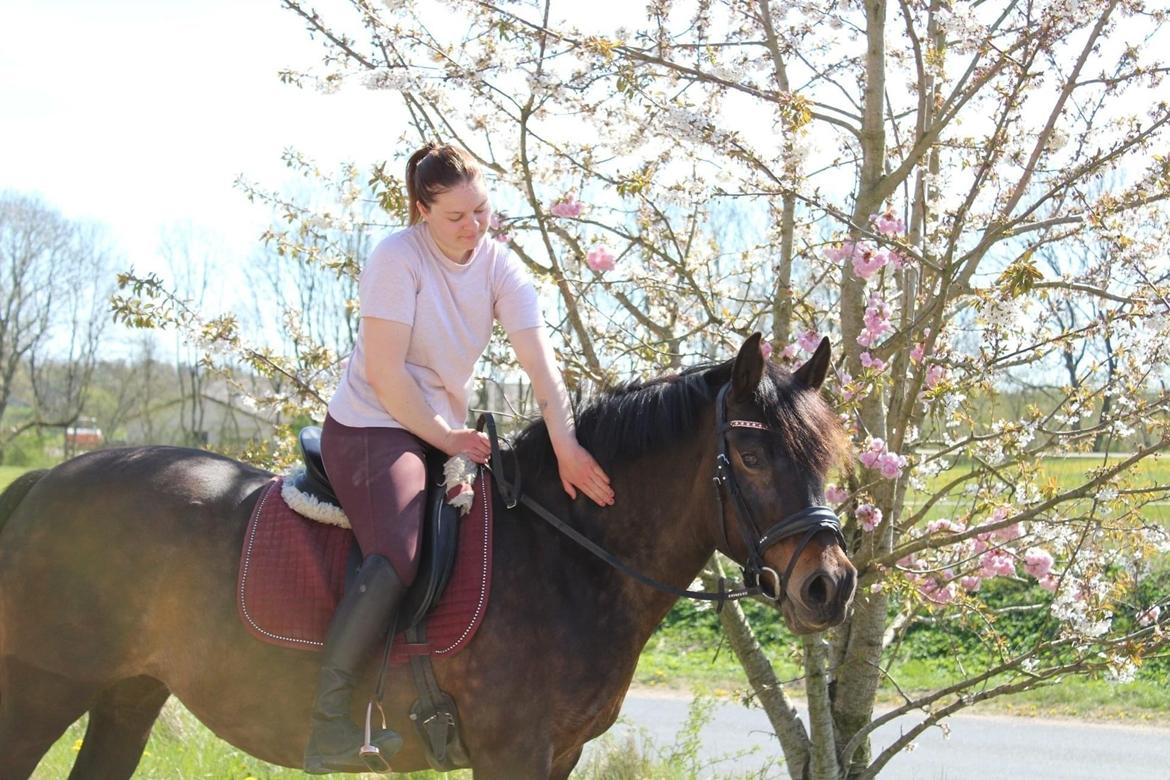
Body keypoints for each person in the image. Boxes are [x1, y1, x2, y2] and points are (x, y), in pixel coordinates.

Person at [303, 142, 616, 773]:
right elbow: (388, 378)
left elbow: (541, 364)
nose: (473, 226)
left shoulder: (498, 265)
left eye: (482, 209)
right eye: (456, 216)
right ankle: (330, 721)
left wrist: (567, 445)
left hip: (436, 428)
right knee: (400, 549)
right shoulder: (397, 259)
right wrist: (448, 438)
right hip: (372, 425)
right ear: (422, 210)